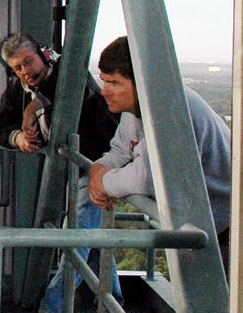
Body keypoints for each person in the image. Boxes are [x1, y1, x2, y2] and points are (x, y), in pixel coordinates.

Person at [0, 33, 122, 313]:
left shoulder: (70, 74)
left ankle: (53, 312)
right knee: (95, 240)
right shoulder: (24, 86)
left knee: (75, 235)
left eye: (28, 62)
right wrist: (17, 137)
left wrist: (33, 106)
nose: (24, 71)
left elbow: (67, 104)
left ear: (45, 56)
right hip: (85, 167)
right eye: (17, 68)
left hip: (99, 165)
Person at [89, 35, 230, 278]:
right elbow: (121, 150)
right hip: (201, 227)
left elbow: (147, 177)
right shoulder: (136, 110)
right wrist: (98, 170)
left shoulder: (170, 109)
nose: (105, 92)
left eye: (114, 83)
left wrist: (103, 183)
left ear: (142, 82)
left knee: (225, 311)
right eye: (104, 82)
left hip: (226, 231)